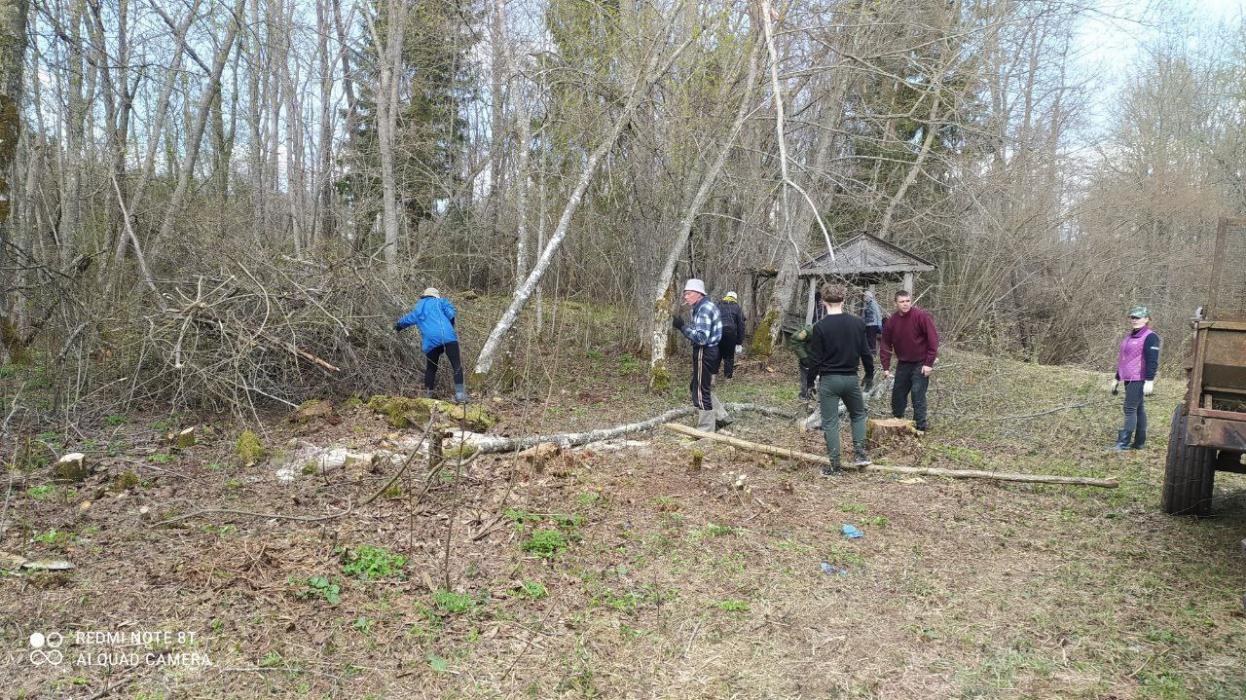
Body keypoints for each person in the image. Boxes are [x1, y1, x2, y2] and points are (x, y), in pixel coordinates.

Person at [807, 283, 875, 476]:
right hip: (851, 379)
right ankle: (860, 454)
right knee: (859, 415)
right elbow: (866, 353)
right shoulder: (858, 323)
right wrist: (869, 374)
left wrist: (809, 382)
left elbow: (815, 360)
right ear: (844, 300)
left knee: (830, 422)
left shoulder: (820, 327)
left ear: (823, 302)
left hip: (829, 381)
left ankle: (835, 466)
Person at [673, 279, 730, 432]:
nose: (685, 297)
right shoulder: (703, 306)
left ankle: (706, 430)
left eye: (688, 293)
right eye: (685, 294)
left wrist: (682, 327)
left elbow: (701, 338)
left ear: (698, 294)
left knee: (700, 390)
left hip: (704, 352)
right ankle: (721, 416)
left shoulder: (703, 309)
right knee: (696, 385)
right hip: (712, 352)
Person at [880, 289, 939, 433]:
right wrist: (886, 367)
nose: (905, 304)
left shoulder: (920, 316)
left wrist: (929, 363)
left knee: (917, 393)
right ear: (896, 303)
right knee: (898, 395)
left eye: (907, 301)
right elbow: (885, 344)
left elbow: (933, 339)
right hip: (904, 363)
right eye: (902, 302)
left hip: (921, 362)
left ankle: (920, 427)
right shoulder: (891, 321)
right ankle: (897, 423)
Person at [394, 288, 467, 403]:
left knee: (431, 369)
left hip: (431, 340)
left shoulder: (420, 307)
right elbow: (451, 314)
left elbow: (408, 319)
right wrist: (450, 327)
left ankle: (428, 397)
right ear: (436, 296)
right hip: (448, 336)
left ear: (425, 296)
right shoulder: (442, 302)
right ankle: (460, 395)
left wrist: (397, 327)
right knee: (456, 365)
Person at [1110, 305, 1160, 450]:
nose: (1134, 320)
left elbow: (1152, 360)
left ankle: (1123, 443)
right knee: (1138, 409)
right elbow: (1124, 359)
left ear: (1146, 319)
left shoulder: (1150, 337)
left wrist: (1149, 380)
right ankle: (1139, 443)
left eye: (1138, 317)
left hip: (1139, 378)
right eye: (1132, 317)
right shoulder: (1130, 337)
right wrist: (1117, 378)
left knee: (1129, 408)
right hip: (1128, 377)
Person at [718, 292, 746, 379]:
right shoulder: (737, 307)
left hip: (717, 333)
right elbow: (741, 325)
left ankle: (712, 378)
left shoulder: (718, 305)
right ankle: (728, 379)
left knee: (716, 355)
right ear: (735, 298)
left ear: (726, 297)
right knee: (729, 357)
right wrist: (739, 342)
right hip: (731, 334)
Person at [860, 289, 884, 355]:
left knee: (871, 340)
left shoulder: (873, 303)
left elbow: (878, 314)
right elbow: (864, 316)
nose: (864, 297)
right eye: (864, 296)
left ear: (869, 296)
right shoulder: (867, 304)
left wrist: (879, 324)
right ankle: (870, 353)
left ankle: (873, 354)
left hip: (873, 324)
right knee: (868, 339)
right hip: (868, 325)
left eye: (865, 296)